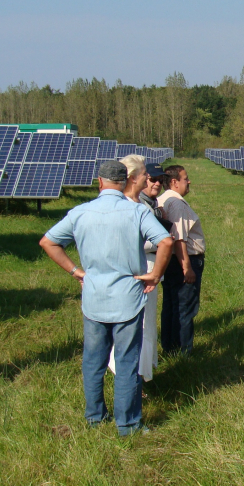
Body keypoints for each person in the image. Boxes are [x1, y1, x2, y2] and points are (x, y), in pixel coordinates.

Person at [39, 161, 172, 436]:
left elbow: (48, 242)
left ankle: (95, 417)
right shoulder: (136, 211)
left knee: (93, 361)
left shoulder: (80, 212)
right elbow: (166, 241)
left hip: (94, 298)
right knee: (126, 362)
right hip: (128, 299)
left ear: (99, 182)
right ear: (125, 182)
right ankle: (128, 424)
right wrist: (155, 274)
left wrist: (76, 271)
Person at [107, 157, 166, 384]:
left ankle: (139, 374)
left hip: (148, 268)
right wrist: (160, 240)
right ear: (133, 178)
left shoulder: (142, 206)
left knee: (146, 323)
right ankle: (130, 376)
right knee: (132, 322)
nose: (149, 179)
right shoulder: (127, 207)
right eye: (145, 175)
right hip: (133, 270)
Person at [157, 165, 206, 355]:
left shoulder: (162, 200)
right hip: (185, 260)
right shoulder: (176, 203)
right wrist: (187, 267)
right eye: (186, 179)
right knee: (185, 307)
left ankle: (169, 347)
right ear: (174, 182)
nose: (189, 182)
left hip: (170, 261)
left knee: (171, 305)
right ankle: (183, 351)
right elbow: (179, 238)